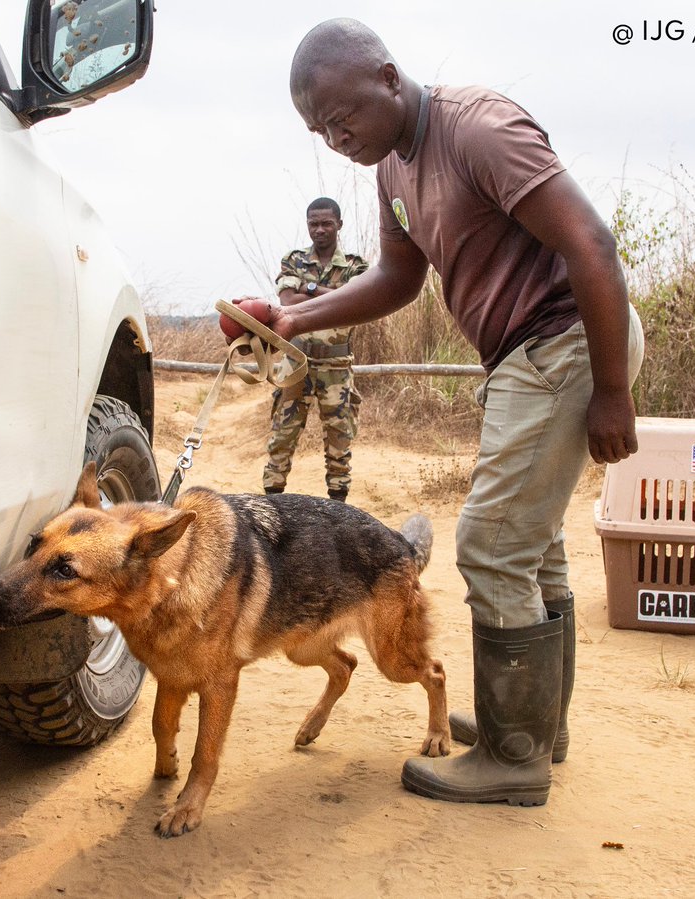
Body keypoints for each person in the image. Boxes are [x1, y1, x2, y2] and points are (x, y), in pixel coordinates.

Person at [238, 18, 646, 807]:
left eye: (340, 115)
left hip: (564, 343)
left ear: (388, 78)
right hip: (522, 359)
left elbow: (591, 243)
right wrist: (297, 317)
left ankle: (511, 757)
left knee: (491, 546)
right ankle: (530, 723)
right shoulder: (392, 166)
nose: (334, 137)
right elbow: (398, 279)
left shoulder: (478, 130)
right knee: (532, 548)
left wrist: (612, 388)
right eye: (318, 129)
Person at [264, 197, 369, 502]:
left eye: (326, 223)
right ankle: (272, 506)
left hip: (336, 367)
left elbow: (357, 304)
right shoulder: (294, 260)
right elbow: (287, 300)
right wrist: (337, 297)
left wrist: (308, 289)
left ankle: (339, 510)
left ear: (339, 224)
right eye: (313, 224)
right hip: (295, 363)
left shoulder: (355, 265)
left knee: (340, 442)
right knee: (281, 438)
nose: (319, 230)